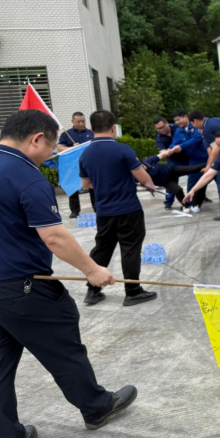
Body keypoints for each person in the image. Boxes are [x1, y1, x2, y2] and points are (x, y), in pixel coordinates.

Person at [0, 110, 137, 438]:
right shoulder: (26, 177)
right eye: (51, 148)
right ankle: (97, 407)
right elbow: (54, 236)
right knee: (63, 348)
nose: (50, 156)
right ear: (36, 138)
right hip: (25, 287)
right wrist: (93, 270)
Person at [78, 110, 158, 306]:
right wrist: (151, 186)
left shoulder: (85, 154)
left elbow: (86, 183)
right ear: (113, 127)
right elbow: (143, 178)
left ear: (91, 128)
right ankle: (133, 291)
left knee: (102, 248)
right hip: (128, 209)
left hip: (104, 211)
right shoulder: (123, 150)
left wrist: (104, 184)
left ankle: (93, 290)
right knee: (130, 249)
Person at [164, 109, 209, 213]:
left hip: (208, 158)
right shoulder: (179, 131)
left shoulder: (196, 126)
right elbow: (175, 143)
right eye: (175, 121)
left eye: (178, 119)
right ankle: (191, 203)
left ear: (185, 116)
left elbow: (197, 138)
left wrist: (181, 146)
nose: (177, 122)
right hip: (194, 160)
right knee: (192, 182)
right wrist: (169, 150)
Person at [58, 112, 96, 218]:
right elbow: (60, 148)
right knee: (73, 187)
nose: (81, 124)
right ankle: (75, 210)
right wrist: (72, 148)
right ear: (72, 121)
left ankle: (97, 208)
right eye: (78, 122)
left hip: (89, 164)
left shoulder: (91, 133)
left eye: (83, 121)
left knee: (92, 185)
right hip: (73, 166)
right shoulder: (67, 134)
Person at [142, 150, 207, 209]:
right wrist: (149, 188)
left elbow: (160, 156)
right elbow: (144, 183)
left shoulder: (148, 161)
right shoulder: (140, 175)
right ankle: (186, 205)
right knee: (178, 190)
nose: (142, 169)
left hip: (172, 170)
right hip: (166, 181)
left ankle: (210, 165)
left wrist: (167, 152)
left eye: (142, 167)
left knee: (193, 169)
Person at [153, 117, 180, 209]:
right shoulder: (159, 138)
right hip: (173, 160)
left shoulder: (177, 127)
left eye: (162, 127)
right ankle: (168, 202)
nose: (160, 130)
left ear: (167, 123)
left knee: (196, 176)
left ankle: (200, 196)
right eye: (158, 129)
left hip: (188, 156)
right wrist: (166, 152)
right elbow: (162, 151)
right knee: (170, 179)